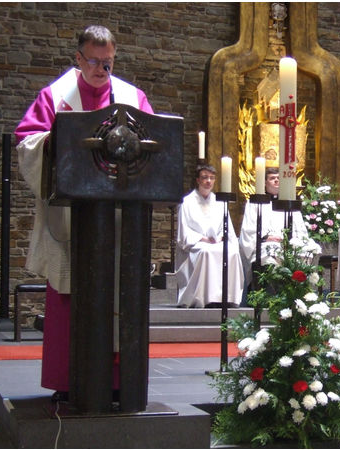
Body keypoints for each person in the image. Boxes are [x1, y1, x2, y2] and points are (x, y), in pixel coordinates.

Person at [15, 25, 154, 401]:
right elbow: (27, 140)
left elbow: (154, 141)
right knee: (68, 297)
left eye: (108, 63)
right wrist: (58, 141)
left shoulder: (132, 96)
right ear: (78, 58)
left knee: (118, 299)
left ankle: (115, 382)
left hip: (120, 219)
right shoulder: (56, 96)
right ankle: (67, 380)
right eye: (94, 62)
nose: (102, 71)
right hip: (71, 220)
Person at [239, 167, 315, 300]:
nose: (276, 181)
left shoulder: (289, 202)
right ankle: (269, 296)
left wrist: (292, 240)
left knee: (306, 252)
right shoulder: (255, 202)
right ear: (265, 182)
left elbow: (300, 229)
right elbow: (248, 229)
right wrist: (266, 237)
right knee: (269, 255)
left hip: (288, 244)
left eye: (279, 178)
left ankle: (297, 296)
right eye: (272, 178)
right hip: (265, 243)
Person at [175, 164, 244, 308]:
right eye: (205, 177)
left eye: (212, 178)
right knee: (206, 251)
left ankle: (227, 297)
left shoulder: (219, 201)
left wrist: (221, 237)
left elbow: (228, 229)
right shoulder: (187, 202)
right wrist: (204, 239)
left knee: (232, 252)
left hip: (217, 242)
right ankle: (204, 297)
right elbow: (184, 232)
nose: (208, 181)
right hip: (196, 243)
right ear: (198, 180)